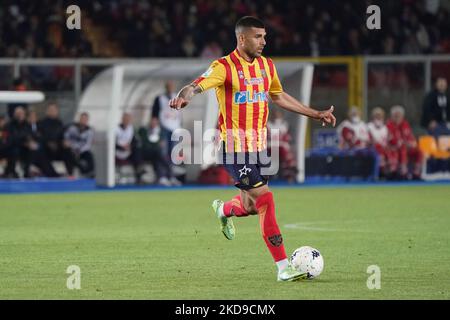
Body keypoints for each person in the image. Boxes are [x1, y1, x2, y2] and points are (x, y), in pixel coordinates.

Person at [169, 16, 336, 282]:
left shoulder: (267, 66)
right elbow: (196, 85)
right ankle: (283, 268)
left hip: (259, 149)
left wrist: (315, 113)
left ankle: (223, 210)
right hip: (234, 148)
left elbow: (278, 96)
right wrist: (183, 97)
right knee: (265, 200)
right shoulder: (223, 66)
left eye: (265, 36)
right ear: (242, 38)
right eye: (258, 37)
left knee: (249, 207)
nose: (264, 41)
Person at [137, 118, 181, 186]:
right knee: (160, 154)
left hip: (156, 155)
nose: (153, 124)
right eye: (152, 122)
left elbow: (161, 144)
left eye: (155, 122)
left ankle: (163, 177)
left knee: (158, 159)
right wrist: (155, 145)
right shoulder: (144, 130)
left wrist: (156, 145)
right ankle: (171, 173)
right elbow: (146, 143)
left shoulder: (161, 132)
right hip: (146, 153)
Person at [37, 103, 76, 176]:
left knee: (68, 151)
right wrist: (49, 143)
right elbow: (40, 137)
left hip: (58, 148)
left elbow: (62, 136)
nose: (52, 112)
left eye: (54, 110)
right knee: (41, 154)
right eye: (51, 110)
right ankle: (53, 174)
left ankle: (70, 173)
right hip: (46, 148)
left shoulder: (59, 123)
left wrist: (64, 142)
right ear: (47, 111)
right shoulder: (42, 123)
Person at [386, 105, 423, 180]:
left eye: (399, 115)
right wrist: (403, 143)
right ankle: (404, 172)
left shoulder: (405, 124)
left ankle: (416, 173)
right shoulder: (389, 125)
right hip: (394, 148)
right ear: (392, 116)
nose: (397, 117)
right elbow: (391, 140)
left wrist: (412, 143)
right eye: (395, 116)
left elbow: (410, 137)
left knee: (419, 151)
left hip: (406, 147)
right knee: (403, 149)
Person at [151, 80, 182, 160]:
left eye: (171, 86)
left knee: (173, 148)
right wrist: (154, 122)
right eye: (168, 86)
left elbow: (180, 112)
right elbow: (155, 112)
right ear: (166, 87)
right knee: (163, 149)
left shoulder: (177, 97)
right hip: (163, 126)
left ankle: (171, 166)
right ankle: (164, 165)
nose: (170, 88)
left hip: (175, 126)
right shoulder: (160, 98)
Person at [64, 112, 95, 177]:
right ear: (79, 119)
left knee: (89, 156)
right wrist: (72, 147)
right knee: (68, 154)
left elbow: (88, 144)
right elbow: (66, 138)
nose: (83, 120)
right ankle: (70, 174)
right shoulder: (72, 128)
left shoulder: (90, 131)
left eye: (85, 119)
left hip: (82, 151)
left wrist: (79, 151)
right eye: (82, 118)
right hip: (72, 149)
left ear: (87, 120)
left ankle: (89, 173)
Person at [115, 112, 143, 184]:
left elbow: (136, 141)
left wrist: (130, 146)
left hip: (128, 152)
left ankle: (138, 173)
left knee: (137, 151)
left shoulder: (131, 129)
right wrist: (122, 147)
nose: (127, 121)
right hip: (117, 152)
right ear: (122, 119)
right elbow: (113, 144)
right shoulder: (116, 129)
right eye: (126, 119)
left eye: (128, 119)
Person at [367, 107, 395, 178]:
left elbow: (388, 140)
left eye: (380, 115)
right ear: (373, 116)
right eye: (376, 115)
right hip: (373, 149)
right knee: (378, 148)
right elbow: (369, 140)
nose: (378, 117)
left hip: (384, 148)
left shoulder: (385, 127)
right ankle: (381, 171)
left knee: (392, 150)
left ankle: (391, 170)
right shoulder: (369, 126)